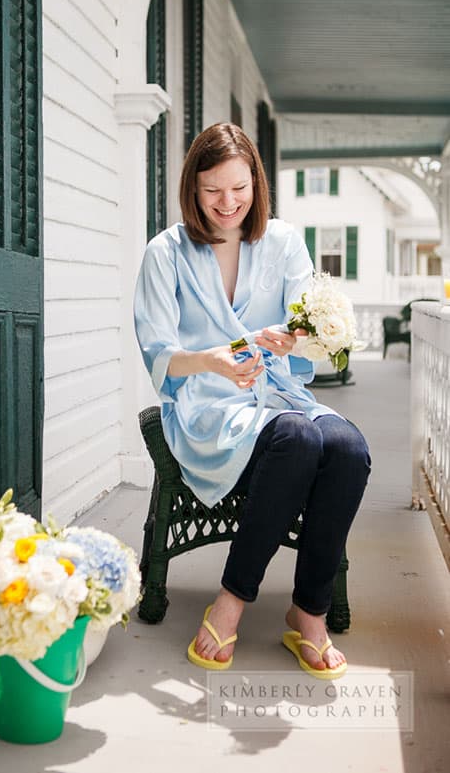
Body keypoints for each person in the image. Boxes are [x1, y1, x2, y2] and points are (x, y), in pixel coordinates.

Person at [133, 123, 370, 679]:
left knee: (347, 448)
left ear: (256, 185)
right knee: (297, 438)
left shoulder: (282, 242)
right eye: (212, 190)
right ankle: (232, 600)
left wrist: (294, 339)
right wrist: (213, 360)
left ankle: (308, 610)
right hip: (206, 404)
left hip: (279, 393)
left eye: (239, 188)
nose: (227, 203)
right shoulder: (165, 253)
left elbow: (307, 332)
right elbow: (160, 356)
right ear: (192, 189)